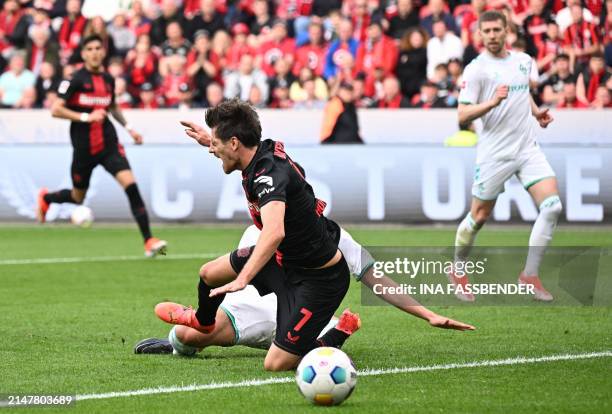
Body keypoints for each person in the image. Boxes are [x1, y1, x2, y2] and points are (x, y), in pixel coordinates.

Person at [156, 99, 357, 372]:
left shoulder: (267, 175)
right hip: (285, 260)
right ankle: (204, 320)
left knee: (276, 364)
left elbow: (274, 232)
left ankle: (336, 336)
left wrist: (244, 278)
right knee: (209, 273)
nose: (213, 149)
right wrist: (212, 141)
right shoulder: (259, 154)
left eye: (217, 142)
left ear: (235, 143)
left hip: (318, 280)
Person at [136, 225, 475, 355]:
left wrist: (428, 315)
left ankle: (335, 333)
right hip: (249, 311)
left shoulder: (335, 237)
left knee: (298, 359)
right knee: (183, 336)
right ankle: (181, 341)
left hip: (305, 311)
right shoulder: (257, 233)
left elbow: (375, 278)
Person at [453, 11, 561, 302]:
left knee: (551, 207)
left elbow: (521, 91)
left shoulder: (524, 61)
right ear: (479, 34)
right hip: (494, 153)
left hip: (527, 148)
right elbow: (463, 113)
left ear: (506, 31)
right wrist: (493, 101)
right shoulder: (476, 70)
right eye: (485, 31)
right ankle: (458, 269)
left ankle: (529, 274)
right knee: (479, 216)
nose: (491, 35)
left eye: (496, 30)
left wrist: (537, 113)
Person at [36, 35, 167, 258]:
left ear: (103, 52)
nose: (95, 52)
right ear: (84, 53)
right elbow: (55, 110)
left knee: (131, 186)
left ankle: (148, 240)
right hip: (84, 148)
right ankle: (46, 198)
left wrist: (130, 128)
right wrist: (87, 117)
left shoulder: (108, 79)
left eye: (98, 48)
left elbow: (113, 106)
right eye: (90, 49)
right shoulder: (74, 80)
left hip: (109, 145)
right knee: (78, 198)